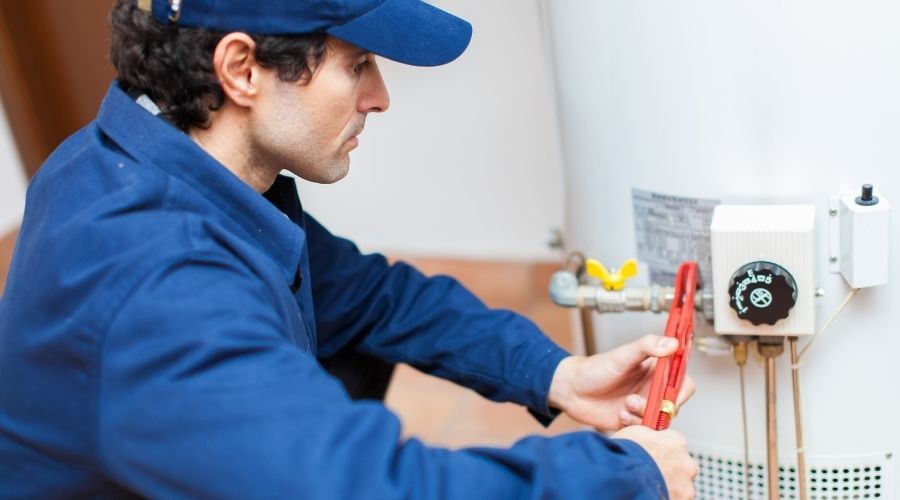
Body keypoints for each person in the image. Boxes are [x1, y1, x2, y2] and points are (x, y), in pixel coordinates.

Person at [0, 0, 699, 498]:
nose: (379, 96)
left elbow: (372, 297)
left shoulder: (144, 157)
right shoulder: (161, 288)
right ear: (241, 68)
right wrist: (623, 476)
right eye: (357, 64)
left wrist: (556, 374)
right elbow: (367, 488)